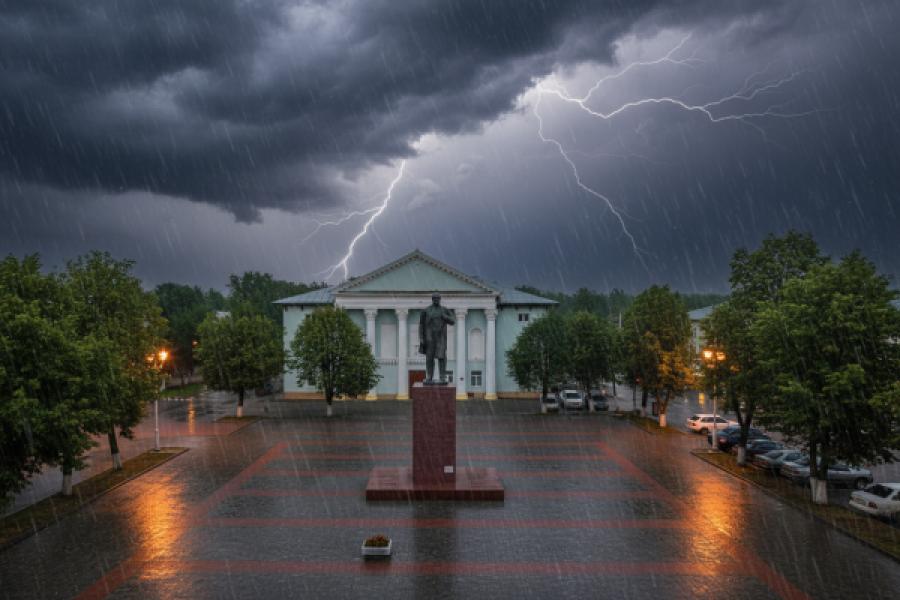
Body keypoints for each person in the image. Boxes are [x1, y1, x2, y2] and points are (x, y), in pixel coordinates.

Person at [418, 293, 455, 384]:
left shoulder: (444, 310)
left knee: (442, 357)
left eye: (438, 298)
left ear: (440, 299)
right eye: (434, 298)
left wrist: (445, 316)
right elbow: (421, 325)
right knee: (429, 358)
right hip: (429, 337)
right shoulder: (426, 311)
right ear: (432, 299)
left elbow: (453, 321)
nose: (436, 300)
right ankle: (429, 377)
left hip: (441, 337)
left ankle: (442, 377)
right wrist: (421, 338)